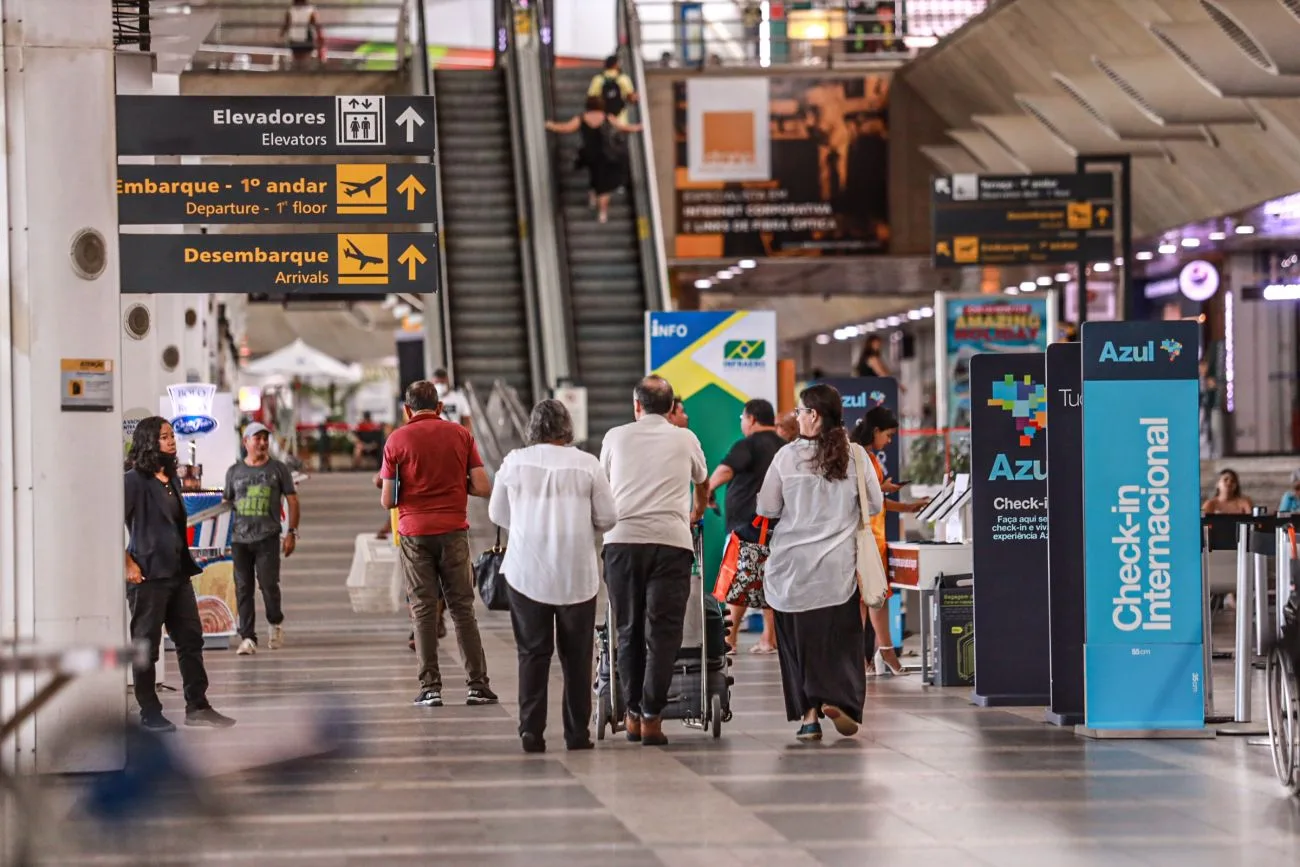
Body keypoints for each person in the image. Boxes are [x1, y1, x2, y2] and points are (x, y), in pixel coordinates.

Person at [489, 400, 619, 753]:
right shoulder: (587, 464)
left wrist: (530, 524)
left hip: (526, 572)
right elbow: (608, 518)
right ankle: (577, 734)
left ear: (533, 428)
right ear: (567, 428)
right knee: (576, 657)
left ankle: (531, 730)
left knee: (532, 653)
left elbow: (497, 512)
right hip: (576, 574)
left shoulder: (514, 462)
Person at [757, 384, 881, 741]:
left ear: (813, 415)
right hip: (837, 570)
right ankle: (839, 700)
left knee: (797, 646)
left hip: (790, 571)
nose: (797, 416)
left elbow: (767, 509)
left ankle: (809, 718)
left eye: (799, 411)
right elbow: (874, 505)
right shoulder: (855, 455)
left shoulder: (785, 457)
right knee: (839, 643)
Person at [600, 376, 709, 746]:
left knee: (627, 629)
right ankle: (651, 715)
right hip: (671, 543)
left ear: (636, 406)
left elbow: (603, 485)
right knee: (663, 633)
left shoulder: (615, 437)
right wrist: (695, 510)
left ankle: (631, 712)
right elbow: (703, 480)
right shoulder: (685, 438)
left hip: (622, 542)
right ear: (670, 407)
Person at [380, 380, 497, 709]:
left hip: (414, 533)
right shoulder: (460, 434)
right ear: (441, 407)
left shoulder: (397, 439)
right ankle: (477, 685)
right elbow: (483, 486)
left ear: (407, 410)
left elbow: (387, 499)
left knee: (423, 610)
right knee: (462, 610)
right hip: (453, 531)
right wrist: (458, 487)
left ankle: (430, 687)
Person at [124, 417, 235, 732]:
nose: (171, 440)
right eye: (164, 436)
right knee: (146, 644)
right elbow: (109, 522)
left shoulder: (170, 478)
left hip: (177, 573)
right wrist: (128, 564)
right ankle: (149, 711)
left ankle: (197, 706)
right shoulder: (133, 480)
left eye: (172, 435)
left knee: (190, 639)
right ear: (148, 441)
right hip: (148, 577)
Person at [849, 406, 928, 676]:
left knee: (871, 598)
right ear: (876, 431)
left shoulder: (861, 455)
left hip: (870, 535)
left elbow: (874, 499)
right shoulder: (863, 457)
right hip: (869, 537)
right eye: (888, 435)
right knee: (871, 598)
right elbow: (868, 497)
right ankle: (879, 655)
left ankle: (875, 655)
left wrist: (905, 507)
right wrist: (884, 490)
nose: (890, 441)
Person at [708, 399, 784, 654]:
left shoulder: (748, 444)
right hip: (779, 526)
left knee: (738, 583)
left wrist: (707, 489)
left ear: (751, 419)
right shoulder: (784, 447)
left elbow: (726, 470)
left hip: (746, 527)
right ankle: (768, 639)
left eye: (743, 417)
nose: (742, 422)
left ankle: (730, 640)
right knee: (770, 583)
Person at [224, 422, 300, 656]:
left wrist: (292, 533)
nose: (262, 443)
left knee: (268, 585)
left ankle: (275, 621)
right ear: (245, 441)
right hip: (239, 539)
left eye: (265, 438)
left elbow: (292, 500)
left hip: (268, 536)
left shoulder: (278, 469)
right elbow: (227, 504)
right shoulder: (234, 471)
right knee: (243, 588)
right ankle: (247, 637)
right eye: (257, 438)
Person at [546, 97, 642, 224]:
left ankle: (593, 195)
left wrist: (551, 125)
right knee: (605, 185)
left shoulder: (581, 118)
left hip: (589, 154)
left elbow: (566, 128)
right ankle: (602, 212)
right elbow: (623, 127)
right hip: (605, 154)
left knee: (595, 173)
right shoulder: (607, 117)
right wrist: (639, 127)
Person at [586, 54, 637, 124]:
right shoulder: (623, 79)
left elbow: (591, 98)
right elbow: (632, 98)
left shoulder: (598, 79)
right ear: (616, 64)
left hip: (603, 121)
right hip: (620, 120)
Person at [281, 0, 322, 70]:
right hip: (305, 39)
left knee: (296, 61)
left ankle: (297, 75)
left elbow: (286, 24)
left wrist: (281, 35)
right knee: (305, 62)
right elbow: (316, 25)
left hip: (295, 38)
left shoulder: (291, 9)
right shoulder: (310, 10)